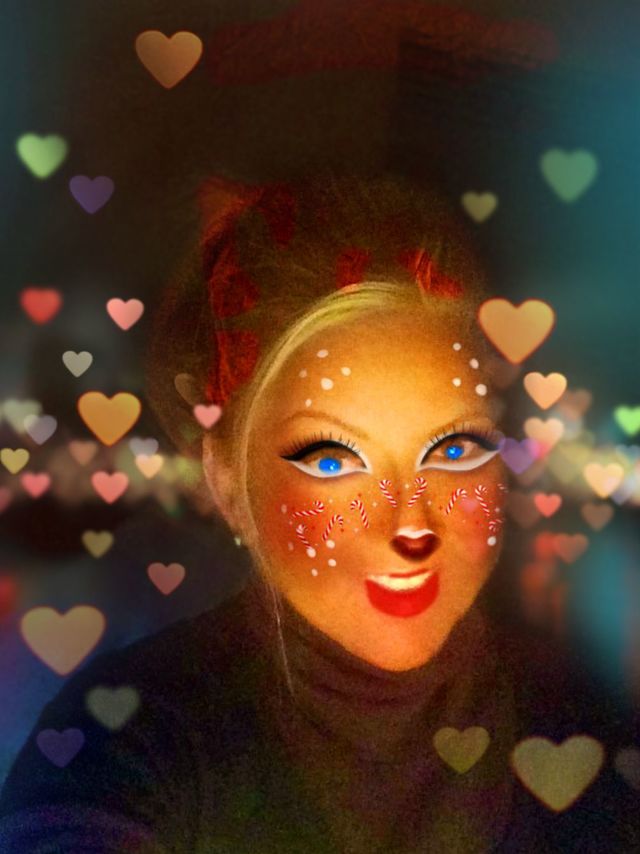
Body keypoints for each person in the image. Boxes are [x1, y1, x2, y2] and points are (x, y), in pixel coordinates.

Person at [0, 174, 637, 853]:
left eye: (453, 450)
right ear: (229, 483)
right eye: (333, 460)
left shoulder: (588, 720)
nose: (410, 526)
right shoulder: (125, 739)